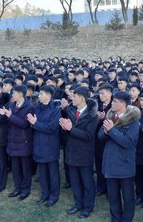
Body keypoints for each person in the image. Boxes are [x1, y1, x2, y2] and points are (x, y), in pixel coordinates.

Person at [98, 91, 140, 222]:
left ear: (123, 104)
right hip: (110, 164)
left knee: (128, 197)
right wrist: (106, 132)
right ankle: (115, 219)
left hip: (124, 165)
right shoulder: (110, 116)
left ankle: (127, 219)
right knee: (113, 196)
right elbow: (100, 137)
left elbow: (127, 142)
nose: (112, 103)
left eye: (115, 101)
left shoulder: (133, 121)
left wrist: (111, 131)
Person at [60, 86, 98, 219]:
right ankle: (78, 204)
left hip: (84, 154)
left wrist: (70, 129)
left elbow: (88, 135)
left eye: (74, 96)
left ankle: (88, 207)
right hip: (71, 151)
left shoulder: (93, 115)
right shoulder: (71, 110)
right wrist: (65, 128)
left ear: (82, 98)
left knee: (87, 182)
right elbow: (68, 133)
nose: (72, 98)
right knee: (75, 181)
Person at [28, 85, 61, 207]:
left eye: (41, 94)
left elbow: (52, 128)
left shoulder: (56, 110)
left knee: (52, 173)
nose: (39, 96)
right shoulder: (38, 108)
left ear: (48, 96)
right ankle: (45, 193)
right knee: (42, 173)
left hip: (50, 145)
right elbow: (34, 124)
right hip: (39, 144)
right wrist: (33, 124)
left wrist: (35, 123)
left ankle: (54, 195)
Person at [2, 84, 34, 200]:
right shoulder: (11, 104)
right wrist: (4, 113)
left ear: (20, 94)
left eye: (14, 93)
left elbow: (24, 124)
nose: (12, 95)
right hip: (12, 140)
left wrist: (10, 116)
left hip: (23, 141)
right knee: (15, 167)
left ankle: (25, 189)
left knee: (25, 167)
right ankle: (17, 187)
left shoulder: (29, 107)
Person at [95, 83, 113, 196]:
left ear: (110, 93)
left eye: (103, 93)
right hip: (97, 139)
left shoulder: (115, 105)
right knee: (99, 163)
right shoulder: (97, 105)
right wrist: (97, 119)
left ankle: (110, 188)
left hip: (109, 139)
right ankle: (101, 186)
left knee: (109, 164)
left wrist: (104, 118)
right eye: (99, 93)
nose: (101, 96)